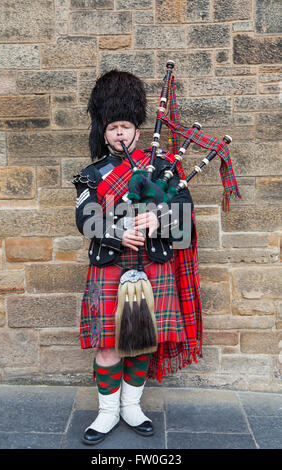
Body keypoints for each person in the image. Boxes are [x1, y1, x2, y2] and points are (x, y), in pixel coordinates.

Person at [72, 70, 202, 445]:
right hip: (109, 265)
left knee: (144, 339)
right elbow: (83, 218)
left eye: (125, 126)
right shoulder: (89, 175)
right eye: (112, 127)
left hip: (152, 265)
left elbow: (186, 223)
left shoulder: (164, 169)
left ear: (137, 132)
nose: (119, 133)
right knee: (108, 343)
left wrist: (159, 218)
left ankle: (131, 406)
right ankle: (107, 413)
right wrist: (116, 232)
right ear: (105, 131)